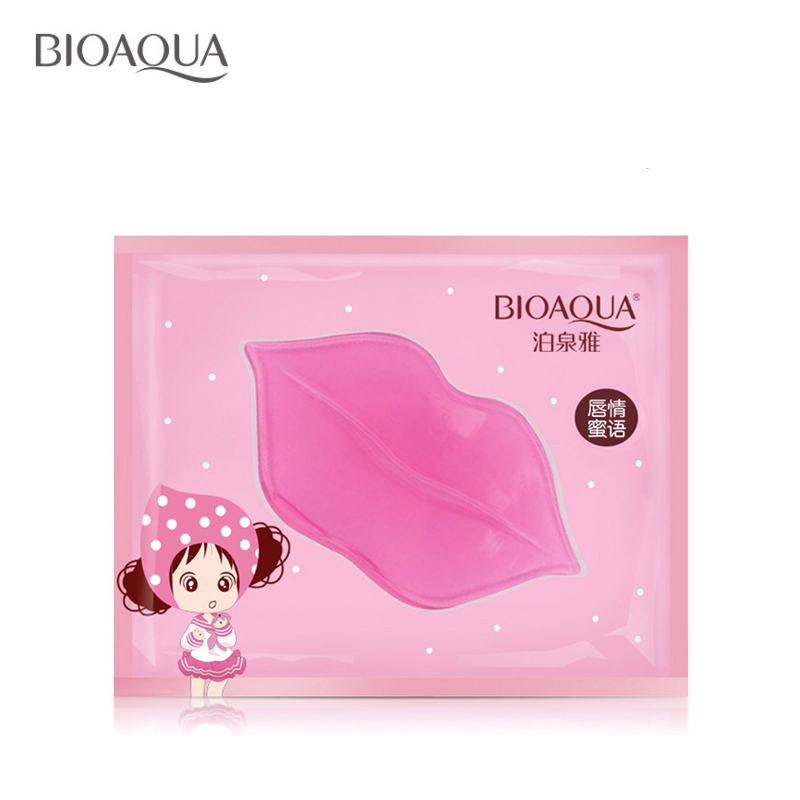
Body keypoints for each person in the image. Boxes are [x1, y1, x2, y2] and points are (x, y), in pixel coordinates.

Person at [117, 484, 289, 698]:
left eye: (224, 583)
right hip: (199, 658)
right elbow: (185, 642)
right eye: (191, 584)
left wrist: (223, 630)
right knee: (197, 687)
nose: (210, 597)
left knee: (218, 686)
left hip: (221, 658)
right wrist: (195, 638)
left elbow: (229, 641)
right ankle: (197, 705)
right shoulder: (196, 623)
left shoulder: (222, 621)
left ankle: (217, 704)